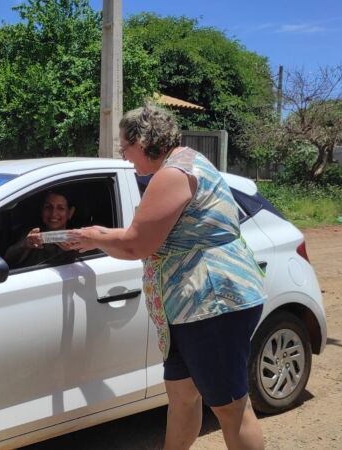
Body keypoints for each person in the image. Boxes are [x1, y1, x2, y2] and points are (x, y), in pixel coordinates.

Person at [66, 105, 266, 450]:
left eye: (124, 147)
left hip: (210, 303)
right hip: (189, 307)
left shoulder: (173, 174)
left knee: (231, 408)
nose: (125, 157)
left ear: (143, 141)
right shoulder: (187, 162)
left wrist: (94, 236)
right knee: (182, 395)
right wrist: (102, 235)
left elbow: (136, 245)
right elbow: (147, 234)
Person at [4, 190, 78, 269]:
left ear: (70, 212)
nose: (53, 213)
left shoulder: (78, 237)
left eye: (60, 208)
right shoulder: (33, 233)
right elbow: (8, 259)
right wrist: (24, 244)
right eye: (48, 207)